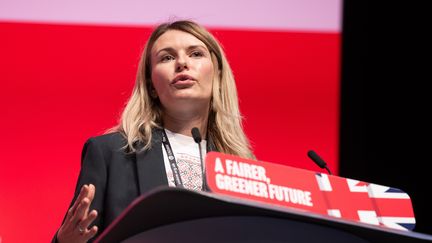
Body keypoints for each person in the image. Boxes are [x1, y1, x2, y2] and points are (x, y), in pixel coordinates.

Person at [53, 20, 255, 243]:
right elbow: (79, 233)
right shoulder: (110, 153)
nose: (182, 63)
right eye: (167, 57)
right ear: (151, 85)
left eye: (196, 54)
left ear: (217, 73)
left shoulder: (243, 168)